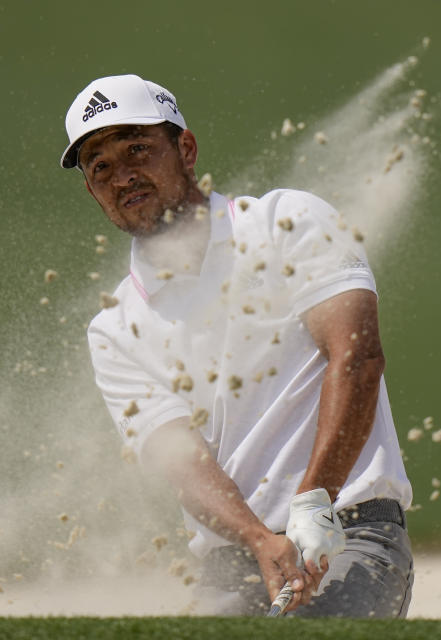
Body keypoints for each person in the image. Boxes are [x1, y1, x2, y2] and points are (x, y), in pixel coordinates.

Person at [60, 74, 414, 617]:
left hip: (349, 530)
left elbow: (358, 357)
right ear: (91, 189)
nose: (123, 175)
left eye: (137, 148)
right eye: (100, 166)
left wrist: (314, 501)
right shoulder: (113, 329)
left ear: (185, 148)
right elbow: (179, 460)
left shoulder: (285, 222)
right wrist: (259, 539)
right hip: (232, 560)